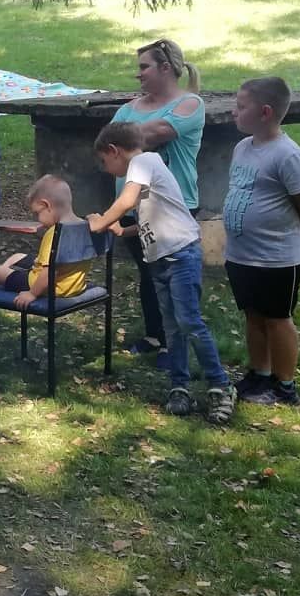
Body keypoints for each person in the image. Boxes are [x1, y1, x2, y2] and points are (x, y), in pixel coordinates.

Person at [88, 121, 235, 425]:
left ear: (114, 151)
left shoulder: (143, 162)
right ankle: (179, 386)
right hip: (160, 259)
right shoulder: (145, 172)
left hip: (181, 254)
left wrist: (101, 222)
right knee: (172, 327)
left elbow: (127, 201)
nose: (106, 169)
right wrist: (122, 230)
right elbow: (149, 215)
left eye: (105, 162)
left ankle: (220, 385)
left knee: (189, 321)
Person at [224, 76, 300, 407]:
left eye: (240, 107)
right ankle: (259, 373)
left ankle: (285, 384)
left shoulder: (287, 155)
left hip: (277, 258)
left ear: (265, 112)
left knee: (277, 319)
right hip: (241, 254)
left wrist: (292, 225)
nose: (234, 112)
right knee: (253, 314)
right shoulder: (242, 148)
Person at [110, 38, 204, 361]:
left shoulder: (190, 104)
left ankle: (176, 346)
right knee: (149, 274)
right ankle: (156, 337)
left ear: (166, 68)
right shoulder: (127, 108)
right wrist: (124, 135)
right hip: (132, 204)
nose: (139, 75)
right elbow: (110, 144)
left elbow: (155, 132)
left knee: (172, 277)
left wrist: (126, 134)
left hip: (171, 208)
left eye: (144, 67)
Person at [0, 175, 92, 311]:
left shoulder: (56, 233)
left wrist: (32, 294)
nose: (37, 218)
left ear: (47, 206)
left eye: (37, 213)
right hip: (73, 285)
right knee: (17, 257)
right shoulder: (84, 226)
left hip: (44, 287)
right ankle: (1, 283)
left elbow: (50, 272)